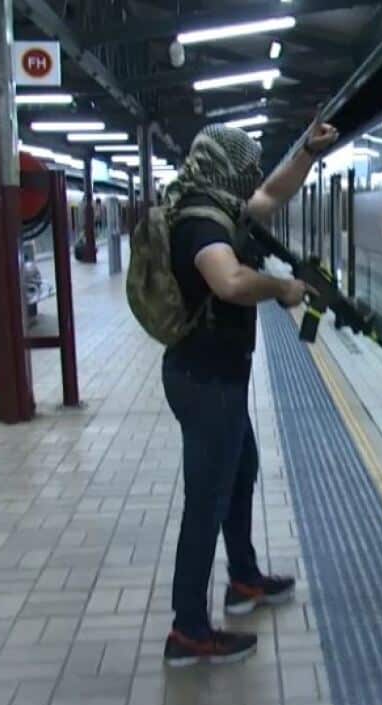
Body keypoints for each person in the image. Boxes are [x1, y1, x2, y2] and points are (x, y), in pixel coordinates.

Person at [160, 121, 339, 667]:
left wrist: (307, 151)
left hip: (218, 378)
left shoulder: (218, 202)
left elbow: (272, 193)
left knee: (240, 474)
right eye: (244, 168)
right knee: (206, 504)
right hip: (205, 381)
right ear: (223, 169)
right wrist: (283, 287)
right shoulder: (200, 222)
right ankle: (188, 631)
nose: (251, 178)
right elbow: (231, 282)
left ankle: (243, 579)